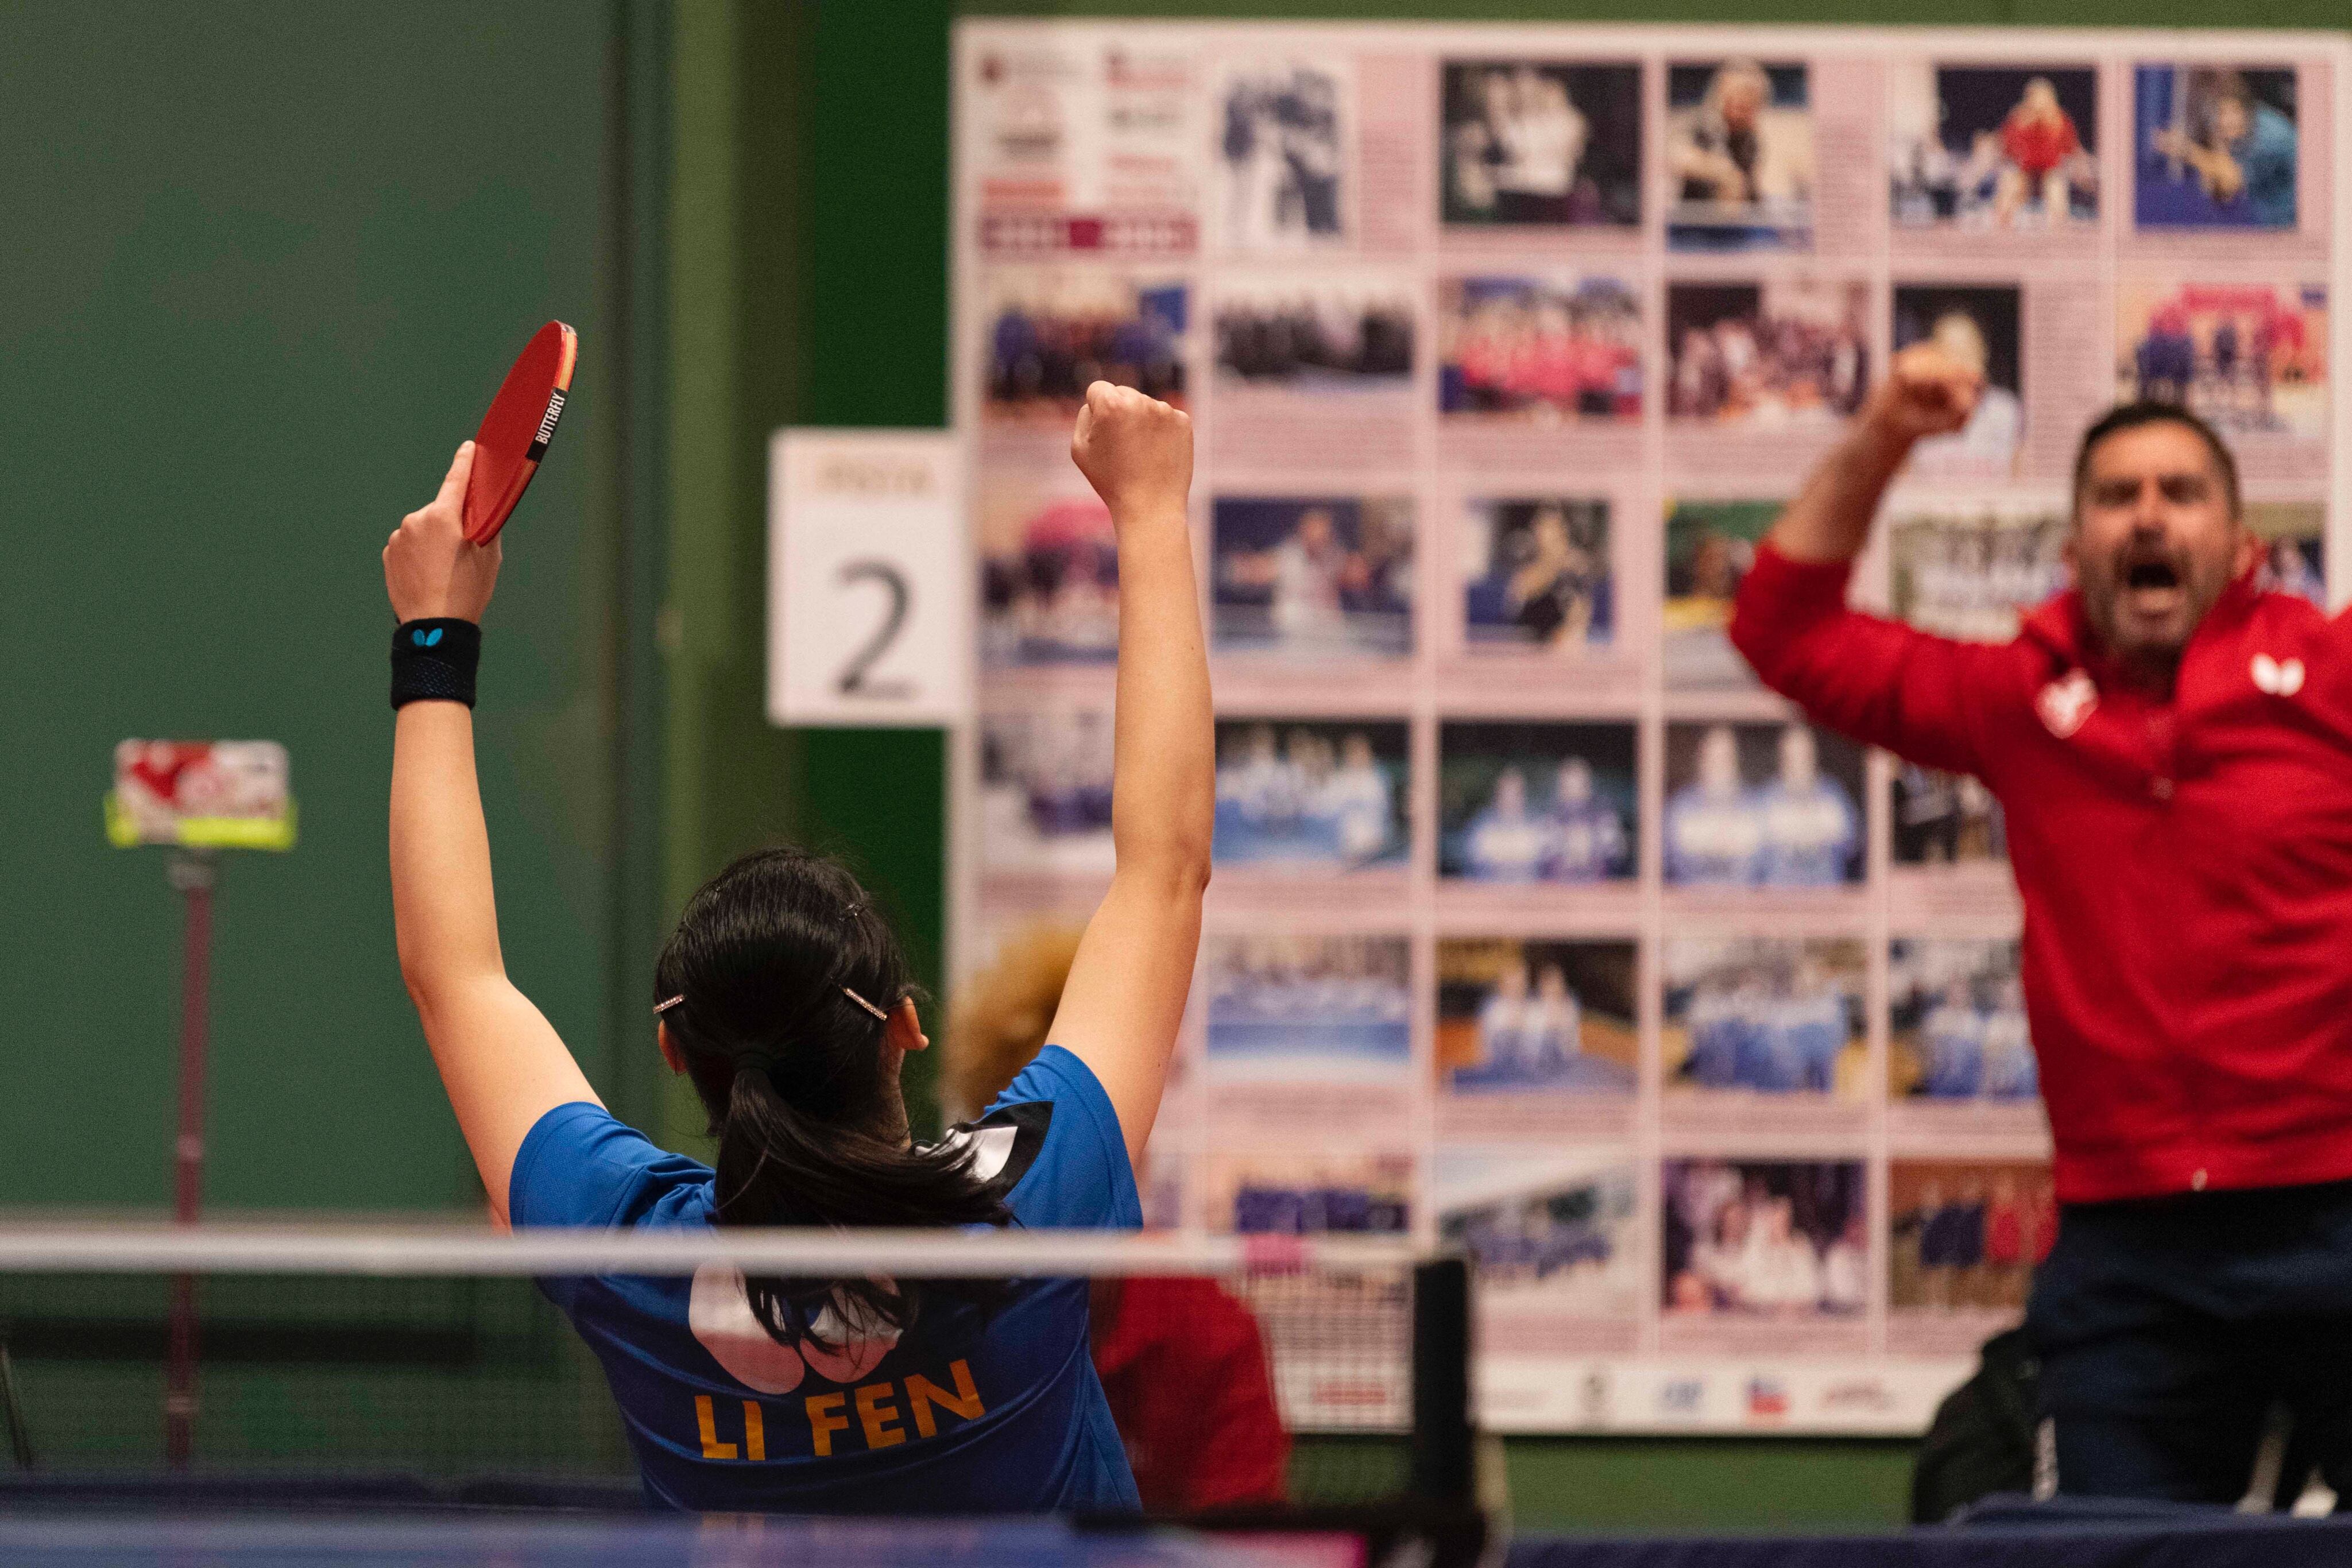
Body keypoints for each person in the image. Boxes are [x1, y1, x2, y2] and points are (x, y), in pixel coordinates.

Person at [382, 382, 1210, 1513]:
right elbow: (1163, 870)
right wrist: (1152, 512)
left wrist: (434, 638)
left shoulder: (629, 1248)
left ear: (682, 1059)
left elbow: (455, 978)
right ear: (904, 1031)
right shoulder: (1017, 1205)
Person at [1730, 335, 2352, 1503]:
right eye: (2116, 497)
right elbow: (1782, 631)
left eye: (2181, 493)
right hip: (2130, 1259)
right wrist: (1882, 437)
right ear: (2075, 554)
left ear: (2242, 546)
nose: (2148, 517)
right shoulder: (2019, 703)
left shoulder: (2326, 674)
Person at [945, 926, 1288, 1515]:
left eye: (1104, 1126)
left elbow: (1246, 1542)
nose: (1073, 1164)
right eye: (1043, 1148)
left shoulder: (1210, 1329)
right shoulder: (932, 1323)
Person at [2152, 72, 2297, 229]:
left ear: (2247, 112)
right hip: (2270, 216)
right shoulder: (2235, 130)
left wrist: (2188, 151)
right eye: (2222, 113)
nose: (2226, 121)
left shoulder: (2270, 139)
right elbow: (2218, 188)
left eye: (2234, 112)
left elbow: (2230, 182)